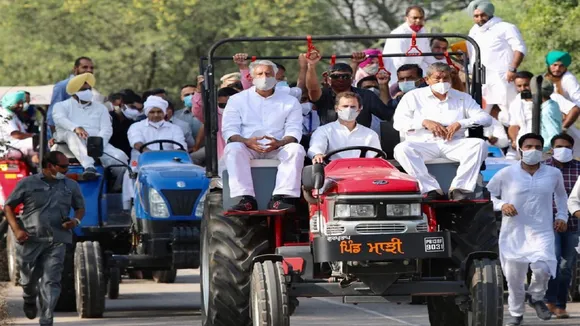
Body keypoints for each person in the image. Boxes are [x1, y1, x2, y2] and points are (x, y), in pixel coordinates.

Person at [487, 133, 568, 326]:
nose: (533, 150)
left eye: (538, 147)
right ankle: (516, 315)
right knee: (514, 278)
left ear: (543, 150)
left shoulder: (553, 174)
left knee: (543, 268)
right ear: (520, 149)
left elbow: (562, 197)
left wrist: (562, 216)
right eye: (529, 146)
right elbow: (489, 196)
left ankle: (536, 296)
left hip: (542, 230)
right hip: (514, 232)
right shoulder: (506, 174)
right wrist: (502, 205)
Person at [3, 151, 84, 326]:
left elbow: (80, 208)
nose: (67, 169)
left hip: (57, 240)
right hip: (30, 240)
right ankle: (29, 297)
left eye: (67, 166)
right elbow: (8, 206)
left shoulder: (71, 185)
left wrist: (75, 220)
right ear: (50, 166)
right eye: (63, 166)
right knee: (28, 281)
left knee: (51, 280)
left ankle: (47, 318)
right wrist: (17, 230)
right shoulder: (27, 183)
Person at [393, 62, 492, 200]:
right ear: (427, 80)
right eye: (437, 79)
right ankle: (430, 189)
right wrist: (424, 123)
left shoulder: (462, 97)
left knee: (479, 145)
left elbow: (486, 118)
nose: (442, 82)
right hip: (424, 144)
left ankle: (460, 188)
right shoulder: (412, 97)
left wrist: (460, 123)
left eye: (445, 79)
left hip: (452, 143)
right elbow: (398, 123)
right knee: (402, 149)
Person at [221, 60, 305, 211]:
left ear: (276, 77)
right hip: (248, 146)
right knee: (233, 148)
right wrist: (247, 141)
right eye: (260, 74)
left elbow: (294, 130)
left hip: (277, 147)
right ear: (251, 77)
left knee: (296, 149)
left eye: (268, 74)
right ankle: (246, 199)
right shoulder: (237, 100)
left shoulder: (290, 101)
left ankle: (280, 198)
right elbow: (229, 130)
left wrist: (279, 143)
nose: (264, 77)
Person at [51, 73, 129, 180]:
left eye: (89, 89)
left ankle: (116, 186)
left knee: (120, 157)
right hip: (69, 140)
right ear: (74, 92)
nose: (87, 92)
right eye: (83, 90)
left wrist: (98, 142)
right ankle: (89, 167)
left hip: (97, 143)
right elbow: (60, 119)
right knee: (71, 135)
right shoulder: (61, 106)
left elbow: (106, 128)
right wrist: (75, 128)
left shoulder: (100, 108)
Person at [467, 0, 526, 126]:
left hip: (503, 77)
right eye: (476, 16)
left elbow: (519, 49)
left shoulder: (505, 27)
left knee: (511, 114)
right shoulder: (473, 31)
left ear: (489, 13)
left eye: (483, 15)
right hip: (480, 79)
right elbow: (472, 55)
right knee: (477, 115)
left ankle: (519, 142)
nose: (480, 19)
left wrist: (512, 69)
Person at [122, 96, 186, 210]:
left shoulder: (175, 128)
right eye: (152, 112)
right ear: (147, 112)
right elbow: (137, 143)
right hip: (142, 164)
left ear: (164, 112)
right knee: (130, 174)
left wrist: (164, 159)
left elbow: (180, 148)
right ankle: (133, 205)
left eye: (159, 111)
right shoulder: (136, 127)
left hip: (170, 164)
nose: (156, 115)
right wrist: (153, 156)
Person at [542, 134, 580, 318]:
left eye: (566, 146)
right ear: (552, 149)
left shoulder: (579, 168)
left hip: (574, 224)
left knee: (567, 266)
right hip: (550, 224)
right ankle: (550, 299)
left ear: (572, 150)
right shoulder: (542, 168)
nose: (562, 149)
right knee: (553, 261)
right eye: (559, 146)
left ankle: (560, 303)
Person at [305, 51, 394, 127]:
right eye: (335, 76)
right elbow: (312, 89)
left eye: (345, 76)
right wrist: (311, 65)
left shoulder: (366, 95)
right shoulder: (324, 95)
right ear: (328, 78)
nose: (340, 79)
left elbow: (387, 115)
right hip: (330, 140)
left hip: (361, 139)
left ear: (352, 78)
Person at [508, 72, 580, 157]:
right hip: (526, 148)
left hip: (547, 148)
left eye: (526, 85)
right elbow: (513, 125)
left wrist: (564, 127)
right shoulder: (516, 103)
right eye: (519, 86)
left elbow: (574, 109)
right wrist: (514, 140)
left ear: (533, 84)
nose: (523, 88)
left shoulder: (550, 99)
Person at [308, 92, 381, 163]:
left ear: (359, 110)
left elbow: (375, 159)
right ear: (336, 109)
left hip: (362, 171)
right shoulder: (323, 131)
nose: (349, 110)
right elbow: (316, 148)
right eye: (345, 106)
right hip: (333, 172)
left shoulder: (370, 134)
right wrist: (318, 154)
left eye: (353, 107)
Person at [46, 57, 101, 132]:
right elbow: (52, 117)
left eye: (91, 68)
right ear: (75, 69)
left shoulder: (89, 87)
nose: (89, 70)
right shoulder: (63, 86)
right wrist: (57, 138)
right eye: (85, 67)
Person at [382, 5, 430, 82]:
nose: (418, 20)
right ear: (406, 18)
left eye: (421, 18)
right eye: (415, 18)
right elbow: (399, 61)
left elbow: (428, 55)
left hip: (417, 73)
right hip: (399, 74)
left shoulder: (423, 31)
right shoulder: (399, 33)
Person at [0, 91, 39, 163]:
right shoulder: (6, 115)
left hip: (14, 145)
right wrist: (33, 135)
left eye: (22, 103)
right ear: (10, 102)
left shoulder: (11, 113)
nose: (21, 105)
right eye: (18, 103)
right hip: (11, 146)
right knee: (40, 143)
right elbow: (16, 135)